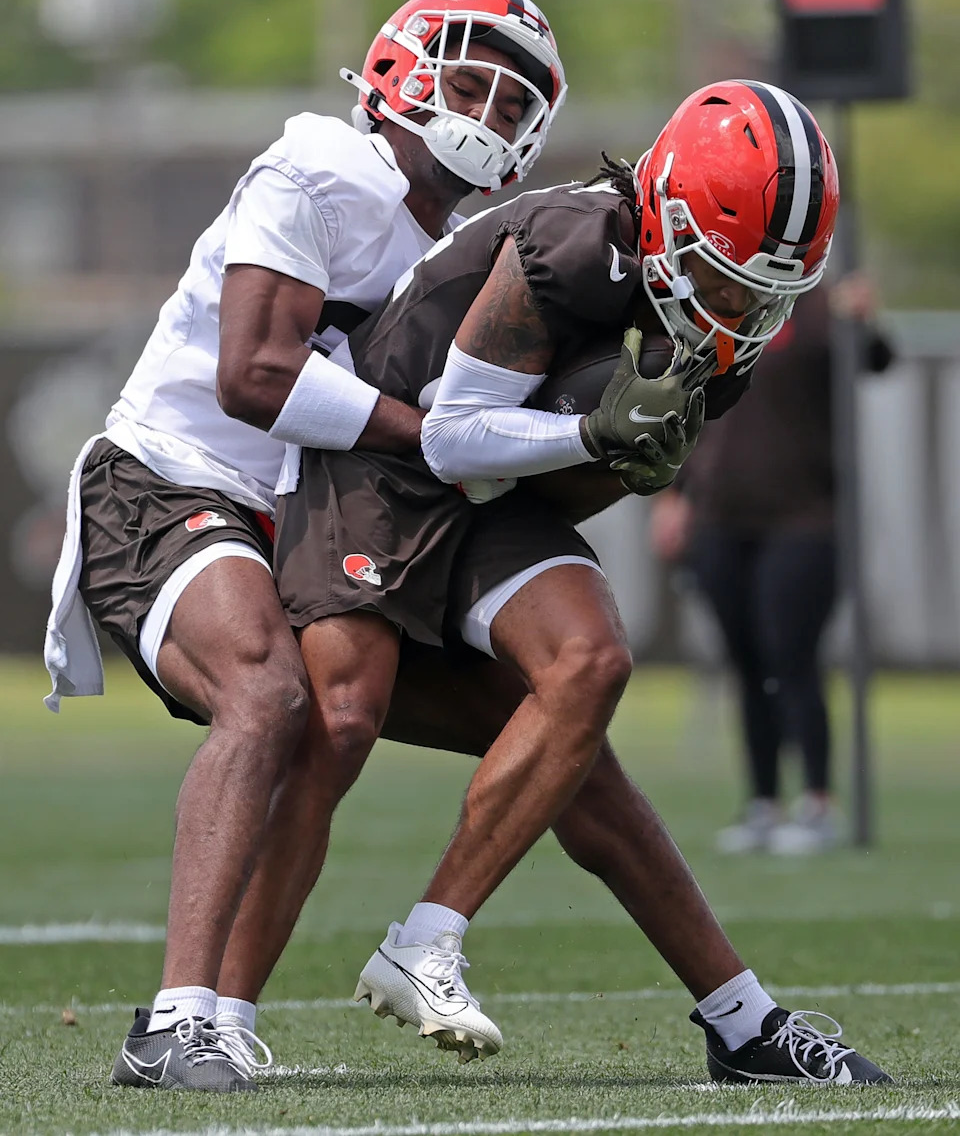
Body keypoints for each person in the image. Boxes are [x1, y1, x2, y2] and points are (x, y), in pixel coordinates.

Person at [229, 80, 890, 1085]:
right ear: (663, 211)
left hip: (493, 494)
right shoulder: (573, 243)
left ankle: (438, 943)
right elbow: (451, 433)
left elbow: (548, 484)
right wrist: (591, 434)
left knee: (588, 667)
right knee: (343, 716)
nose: (739, 310)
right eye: (722, 278)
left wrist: (619, 462)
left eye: (763, 290)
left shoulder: (719, 336)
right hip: (379, 466)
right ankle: (208, 1017)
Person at [42, 0, 567, 1092]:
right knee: (269, 695)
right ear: (401, 75)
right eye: (470, 83)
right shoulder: (323, 165)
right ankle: (177, 1020)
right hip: (167, 483)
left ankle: (743, 1011)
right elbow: (255, 376)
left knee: (548, 713)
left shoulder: (465, 246)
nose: (487, 117)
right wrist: (434, 435)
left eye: (514, 108)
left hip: (304, 527)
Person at [649, 272, 894, 855]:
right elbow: (693, 410)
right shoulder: (711, 306)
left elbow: (878, 360)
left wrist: (861, 319)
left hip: (806, 520)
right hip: (720, 518)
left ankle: (816, 803)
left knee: (792, 656)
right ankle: (763, 804)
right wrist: (675, 497)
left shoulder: (818, 308)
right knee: (748, 662)